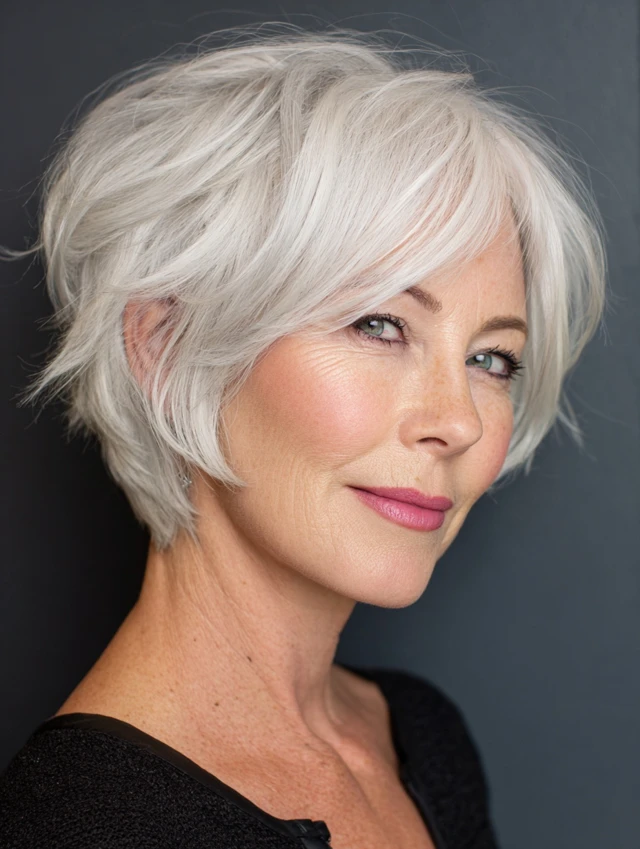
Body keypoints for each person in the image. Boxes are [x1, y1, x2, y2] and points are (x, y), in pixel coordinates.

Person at [0, 25, 606, 849]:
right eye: (379, 324)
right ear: (167, 348)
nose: (459, 420)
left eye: (491, 358)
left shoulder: (423, 740)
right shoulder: (78, 829)